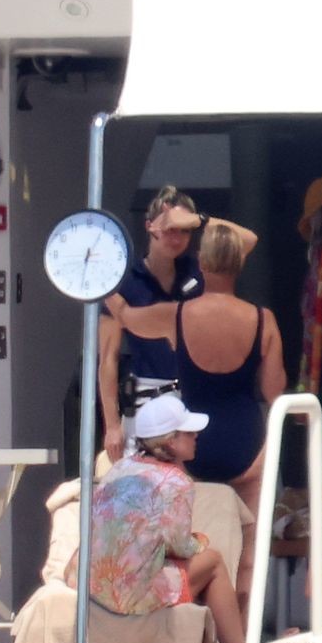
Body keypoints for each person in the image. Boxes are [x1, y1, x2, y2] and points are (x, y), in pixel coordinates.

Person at [106, 215, 284, 574]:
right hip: (247, 441)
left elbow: (125, 315)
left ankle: (200, 608)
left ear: (201, 263)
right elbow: (273, 390)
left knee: (190, 545)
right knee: (249, 552)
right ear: (240, 264)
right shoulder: (263, 319)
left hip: (191, 443)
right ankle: (243, 609)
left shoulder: (176, 315)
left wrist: (100, 282)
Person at [88, 394, 246, 643]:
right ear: (171, 441)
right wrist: (200, 541)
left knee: (184, 567)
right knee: (214, 561)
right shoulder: (176, 482)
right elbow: (180, 545)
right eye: (189, 432)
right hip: (129, 593)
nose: (196, 436)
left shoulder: (120, 468)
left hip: (96, 582)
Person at [100, 186, 203, 461]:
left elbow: (244, 243)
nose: (177, 238)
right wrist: (112, 425)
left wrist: (199, 219)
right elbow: (108, 359)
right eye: (170, 228)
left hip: (193, 397)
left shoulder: (198, 271)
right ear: (150, 226)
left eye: (185, 230)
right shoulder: (125, 281)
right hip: (146, 398)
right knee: (143, 477)